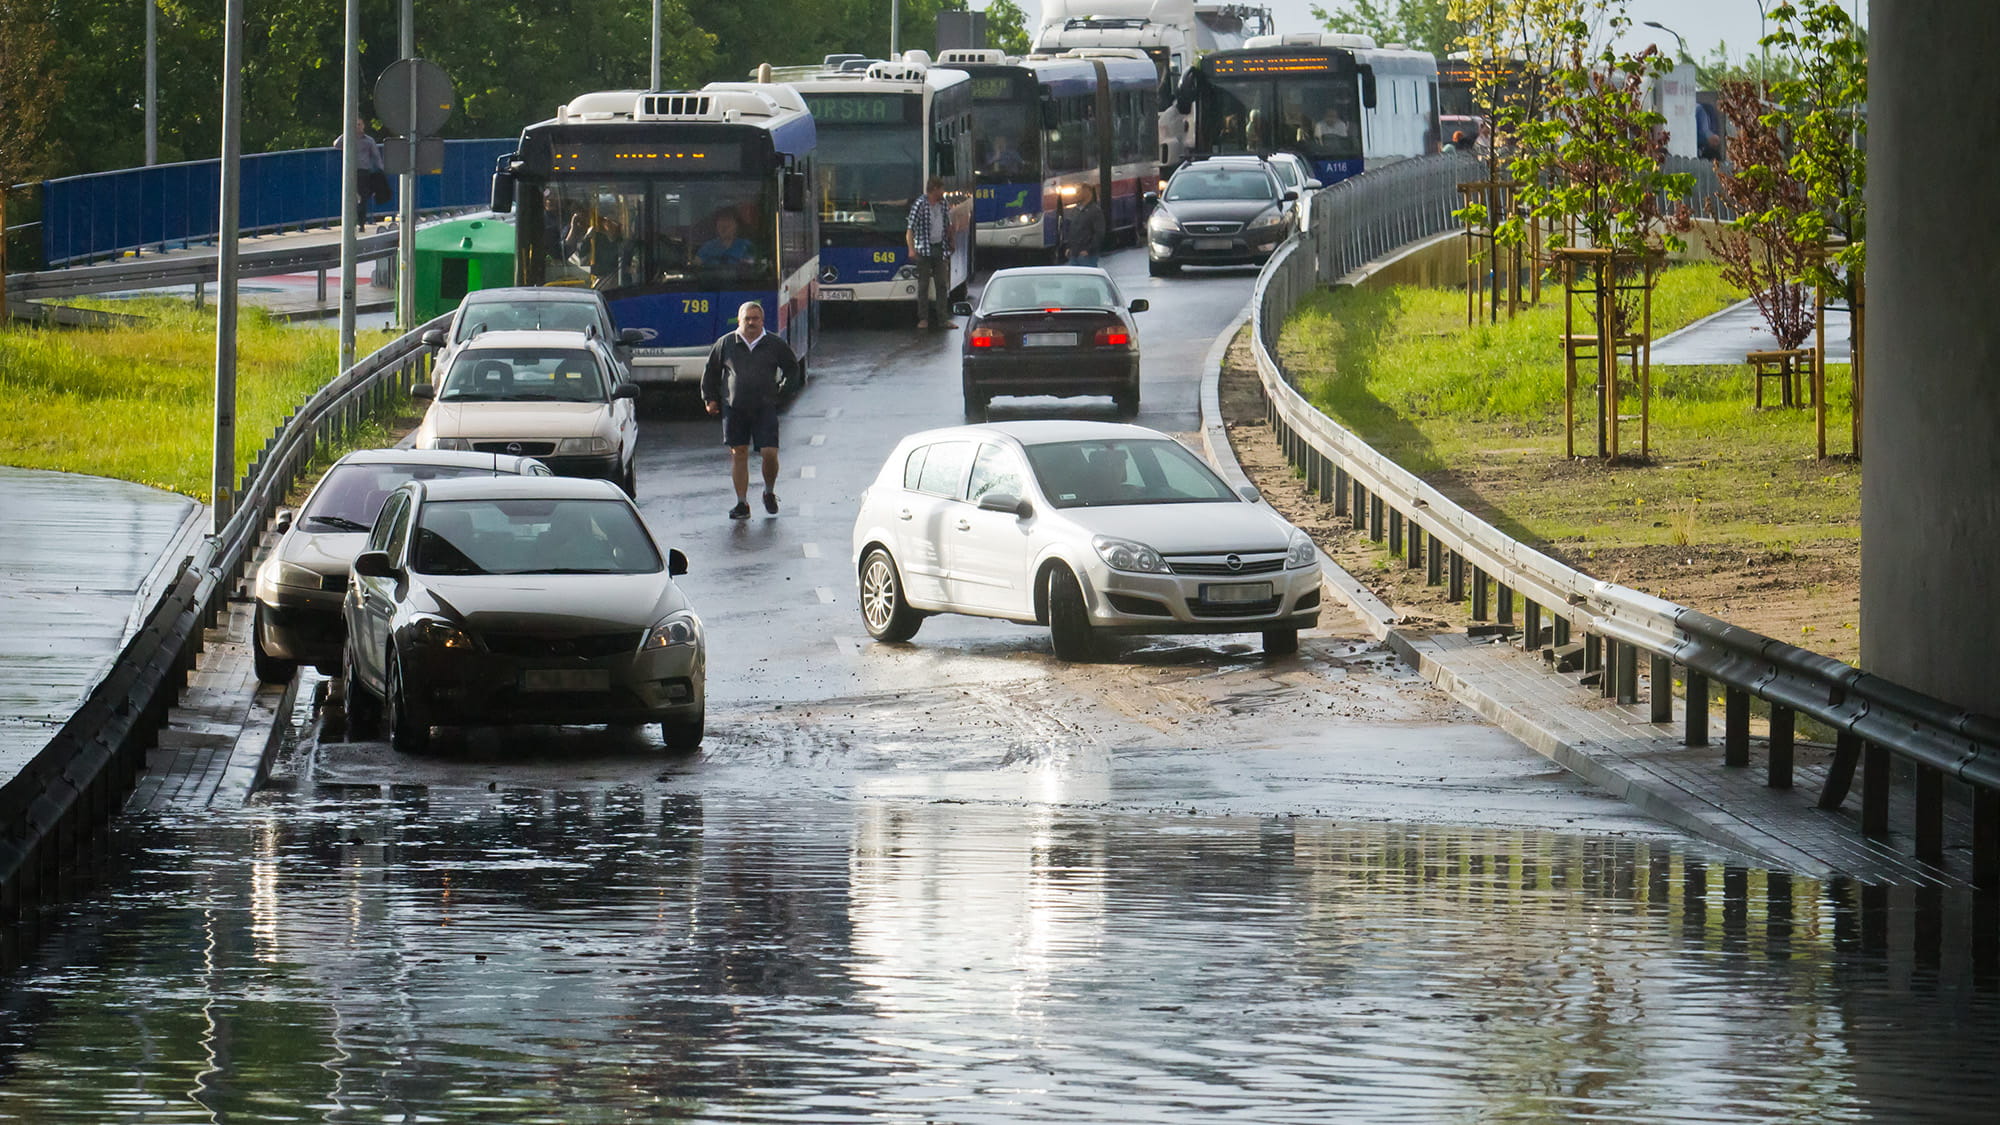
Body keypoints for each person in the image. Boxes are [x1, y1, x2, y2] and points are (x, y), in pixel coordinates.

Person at [701, 301, 800, 520]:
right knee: (739, 453)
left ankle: (769, 491)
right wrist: (710, 399)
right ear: (739, 320)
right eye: (747, 319)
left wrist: (782, 394)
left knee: (769, 453)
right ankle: (742, 503)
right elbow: (711, 372)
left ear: (762, 321)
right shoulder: (726, 343)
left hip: (764, 407)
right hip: (734, 408)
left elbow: (793, 370)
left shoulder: (774, 343)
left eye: (755, 319)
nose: (751, 323)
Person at [905, 177, 957, 330]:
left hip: (939, 248)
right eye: (941, 189)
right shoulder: (920, 205)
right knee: (923, 285)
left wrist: (951, 241)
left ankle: (943, 319)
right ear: (934, 189)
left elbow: (948, 226)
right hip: (923, 250)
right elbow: (910, 230)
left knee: (942, 285)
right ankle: (923, 319)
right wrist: (911, 249)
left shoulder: (943, 204)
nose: (943, 192)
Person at [331, 118, 387, 232]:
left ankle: (361, 223)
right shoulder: (348, 137)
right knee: (349, 197)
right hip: (349, 171)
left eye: (360, 124)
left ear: (363, 126)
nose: (358, 127)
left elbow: (376, 156)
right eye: (355, 125)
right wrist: (346, 132)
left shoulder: (368, 140)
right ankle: (349, 223)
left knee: (362, 198)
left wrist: (381, 169)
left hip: (363, 171)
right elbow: (336, 144)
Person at [1060, 184, 1105, 268]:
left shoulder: (1095, 211)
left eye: (1078, 192)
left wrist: (1089, 250)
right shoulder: (1076, 210)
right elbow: (1071, 230)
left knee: (1088, 278)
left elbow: (1099, 233)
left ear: (1087, 192)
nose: (1076, 195)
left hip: (1087, 256)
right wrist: (1068, 247)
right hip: (1074, 254)